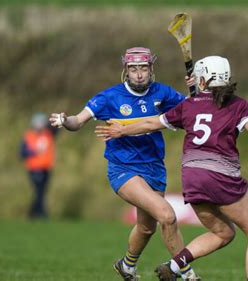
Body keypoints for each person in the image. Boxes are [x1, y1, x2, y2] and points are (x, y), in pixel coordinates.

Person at [95, 55, 248, 281]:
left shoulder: (189, 105)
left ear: (204, 80)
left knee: (224, 232)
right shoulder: (237, 105)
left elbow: (152, 123)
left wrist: (122, 130)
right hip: (222, 178)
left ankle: (177, 265)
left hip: (193, 180)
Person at [49, 47, 200, 281]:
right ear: (125, 70)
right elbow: (78, 121)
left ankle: (127, 266)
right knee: (167, 215)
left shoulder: (163, 93)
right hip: (123, 169)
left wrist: (195, 91)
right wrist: (64, 120)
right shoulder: (110, 97)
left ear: (151, 69)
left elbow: (193, 112)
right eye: (133, 69)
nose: (138, 74)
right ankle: (187, 273)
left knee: (146, 227)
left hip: (155, 168)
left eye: (143, 68)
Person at [20, 112, 57, 219]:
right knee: (39, 192)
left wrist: (50, 122)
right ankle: (42, 214)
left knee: (41, 192)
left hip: (46, 168)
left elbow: (57, 129)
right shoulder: (29, 136)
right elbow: (22, 153)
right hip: (34, 169)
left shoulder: (47, 134)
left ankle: (32, 213)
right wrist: (33, 152)